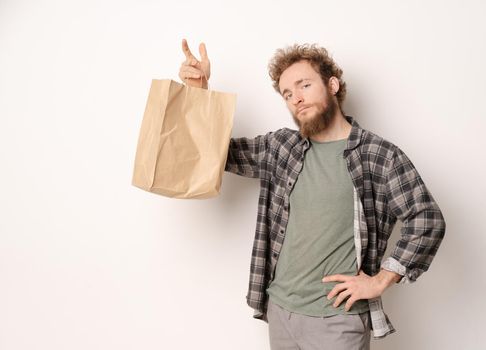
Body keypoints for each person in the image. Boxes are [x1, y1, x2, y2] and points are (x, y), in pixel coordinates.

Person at [178, 39, 446, 350]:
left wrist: (382, 279)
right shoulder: (282, 147)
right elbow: (218, 154)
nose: (296, 99)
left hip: (338, 321)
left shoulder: (378, 155)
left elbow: (427, 219)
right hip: (280, 311)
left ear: (332, 85)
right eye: (287, 94)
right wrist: (198, 92)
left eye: (304, 85)